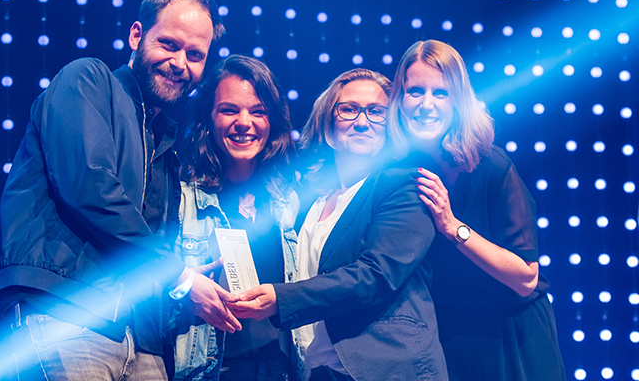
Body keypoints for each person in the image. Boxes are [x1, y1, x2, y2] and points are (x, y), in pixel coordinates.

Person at [0, 0, 242, 380]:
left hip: (140, 335)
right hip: (64, 311)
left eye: (195, 55)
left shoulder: (165, 140)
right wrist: (179, 277)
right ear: (137, 35)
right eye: (169, 44)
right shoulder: (87, 79)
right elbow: (89, 187)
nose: (180, 63)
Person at [228, 69, 448, 381]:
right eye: (349, 109)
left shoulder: (405, 186)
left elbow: (376, 275)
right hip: (315, 371)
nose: (362, 121)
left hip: (387, 370)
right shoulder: (308, 200)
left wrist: (282, 299)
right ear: (328, 121)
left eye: (376, 112)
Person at [386, 39, 566, 381]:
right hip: (446, 337)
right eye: (415, 91)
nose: (426, 104)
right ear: (399, 99)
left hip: (509, 337)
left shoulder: (491, 165)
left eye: (441, 93)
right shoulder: (400, 169)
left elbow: (526, 278)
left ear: (458, 102)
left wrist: (452, 226)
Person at [171, 54, 299, 381]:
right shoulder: (181, 198)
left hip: (281, 370)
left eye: (258, 111)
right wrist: (182, 288)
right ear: (208, 118)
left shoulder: (290, 200)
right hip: (207, 370)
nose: (244, 122)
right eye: (229, 110)